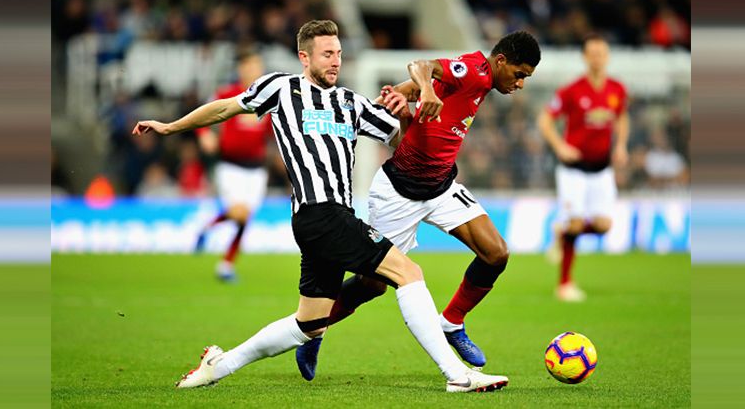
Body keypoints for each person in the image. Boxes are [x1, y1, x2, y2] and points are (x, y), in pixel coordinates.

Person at [133, 20, 508, 393]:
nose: (335, 61)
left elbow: (403, 142)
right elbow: (224, 109)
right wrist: (170, 127)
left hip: (332, 217)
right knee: (408, 273)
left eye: (339, 54)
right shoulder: (280, 87)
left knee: (308, 324)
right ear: (304, 57)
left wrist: (403, 111)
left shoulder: (351, 103)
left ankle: (219, 363)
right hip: (318, 212)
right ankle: (457, 375)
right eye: (327, 54)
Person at [295, 31, 541, 380]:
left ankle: (451, 323)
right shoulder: (473, 71)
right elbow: (420, 65)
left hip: (440, 188)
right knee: (372, 285)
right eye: (519, 74)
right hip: (398, 192)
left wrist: (400, 95)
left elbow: (415, 86)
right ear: (500, 61)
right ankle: (313, 330)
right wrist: (424, 88)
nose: (520, 84)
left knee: (496, 253)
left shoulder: (483, 83)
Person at [537, 33, 629, 302]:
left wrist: (621, 145)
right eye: (593, 53)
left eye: (602, 53)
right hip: (573, 168)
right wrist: (559, 146)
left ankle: (560, 231)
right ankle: (564, 284)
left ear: (607, 56)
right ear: (585, 57)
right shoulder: (571, 90)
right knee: (576, 224)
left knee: (603, 226)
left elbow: (621, 117)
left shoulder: (617, 90)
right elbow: (545, 119)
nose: (597, 58)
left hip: (602, 168)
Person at [194, 50, 278, 281]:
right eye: (250, 66)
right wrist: (204, 134)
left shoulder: (268, 99)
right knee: (240, 214)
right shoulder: (227, 94)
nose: (254, 71)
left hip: (257, 169)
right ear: (241, 69)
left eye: (257, 66)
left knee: (244, 217)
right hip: (230, 166)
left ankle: (224, 263)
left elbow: (275, 130)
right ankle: (225, 262)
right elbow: (201, 114)